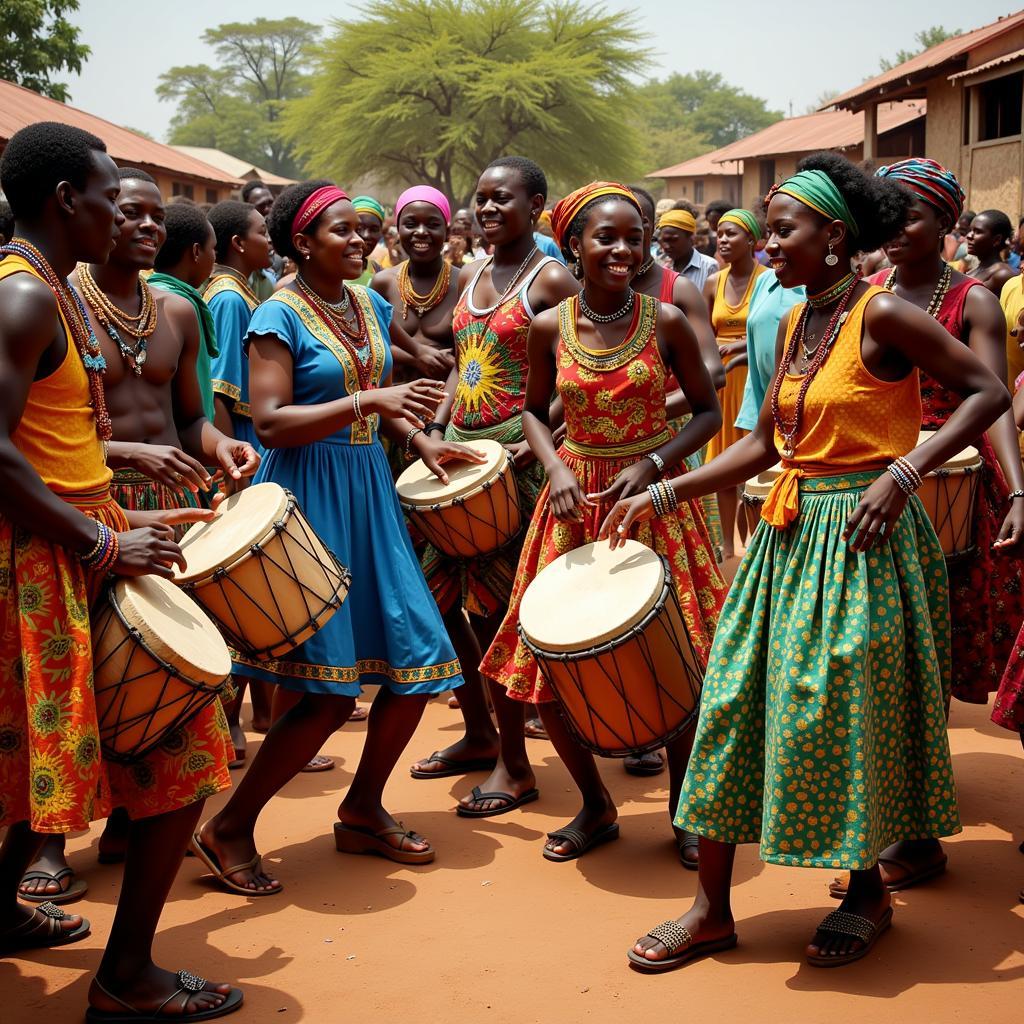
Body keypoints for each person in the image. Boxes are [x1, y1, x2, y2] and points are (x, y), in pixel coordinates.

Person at [601, 152, 1009, 972]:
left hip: (863, 541)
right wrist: (668, 491)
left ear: (832, 236)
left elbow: (988, 391)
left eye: (782, 228)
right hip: (787, 537)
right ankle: (711, 909)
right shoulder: (792, 321)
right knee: (730, 701)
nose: (765, 241)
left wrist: (905, 471)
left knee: (843, 714)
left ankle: (867, 892)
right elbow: (761, 444)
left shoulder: (884, 312)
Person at [0, 121, 241, 1020]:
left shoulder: (46, 290)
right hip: (49, 560)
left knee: (21, 754)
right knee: (187, 754)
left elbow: (46, 441)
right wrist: (103, 540)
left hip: (67, 538)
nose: (124, 218)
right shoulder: (23, 298)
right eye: (109, 198)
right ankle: (126, 979)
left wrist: (127, 484)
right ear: (68, 201)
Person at [191, 181, 477, 892]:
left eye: (359, 231)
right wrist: (370, 399)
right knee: (324, 691)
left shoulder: (369, 305)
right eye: (341, 232)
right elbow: (272, 419)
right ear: (301, 242)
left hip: (369, 490)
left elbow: (384, 411)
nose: (358, 241)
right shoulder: (274, 315)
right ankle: (228, 828)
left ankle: (361, 808)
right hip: (305, 495)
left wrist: (418, 438)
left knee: (419, 662)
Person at [479, 182, 727, 862]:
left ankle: (684, 808)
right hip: (574, 506)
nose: (623, 249)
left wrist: (652, 462)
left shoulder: (666, 320)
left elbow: (708, 410)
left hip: (652, 503)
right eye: (606, 238)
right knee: (551, 665)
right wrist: (556, 471)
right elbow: (533, 411)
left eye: (633, 237)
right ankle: (595, 805)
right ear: (574, 248)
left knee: (677, 659)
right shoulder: (549, 325)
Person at [815, 159, 1024, 901]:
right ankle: (916, 827)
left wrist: (1020, 492)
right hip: (883, 492)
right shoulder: (865, 298)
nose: (896, 229)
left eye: (912, 215)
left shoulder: (976, 300)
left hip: (962, 489)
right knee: (906, 657)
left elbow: (991, 402)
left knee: (992, 649)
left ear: (945, 224)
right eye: (887, 215)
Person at [408, 156, 580, 816]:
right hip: (463, 466)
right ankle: (480, 733)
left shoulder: (551, 278)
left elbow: (578, 368)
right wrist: (444, 422)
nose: (485, 209)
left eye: (500, 199)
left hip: (520, 468)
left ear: (536, 206)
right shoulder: (474, 275)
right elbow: (462, 364)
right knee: (442, 599)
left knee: (500, 614)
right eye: (479, 199)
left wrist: (535, 442)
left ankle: (516, 765)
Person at [702, 209, 766, 558]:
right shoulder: (714, 281)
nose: (723, 240)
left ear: (753, 241)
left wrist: (743, 346)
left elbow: (778, 330)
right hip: (723, 381)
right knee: (724, 466)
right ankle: (728, 547)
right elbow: (703, 335)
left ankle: (755, 544)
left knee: (755, 465)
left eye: (732, 234)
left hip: (754, 377)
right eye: (720, 234)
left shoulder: (770, 279)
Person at [371, 186, 459, 384]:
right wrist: (417, 356)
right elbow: (367, 344)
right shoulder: (383, 282)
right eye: (410, 224)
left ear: (447, 232)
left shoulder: (464, 283)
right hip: (391, 399)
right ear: (398, 230)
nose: (420, 232)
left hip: (447, 401)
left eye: (432, 224)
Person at [205, 200, 273, 450]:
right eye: (262, 232)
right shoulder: (230, 298)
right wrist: (233, 460)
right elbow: (218, 391)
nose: (269, 242)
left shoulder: (239, 293)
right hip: (240, 434)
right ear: (238, 243)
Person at [656, 207, 718, 290]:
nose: (667, 246)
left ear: (691, 238)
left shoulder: (709, 267)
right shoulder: (660, 265)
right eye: (664, 240)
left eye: (673, 240)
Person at [965, 209, 1017, 296]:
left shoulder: (1003, 274)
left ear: (997, 240)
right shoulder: (975, 270)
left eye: (977, 232)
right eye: (970, 230)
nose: (969, 236)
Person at [352, 195, 386, 284]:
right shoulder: (330, 272)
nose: (366, 235)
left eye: (374, 229)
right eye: (359, 229)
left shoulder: (382, 276)